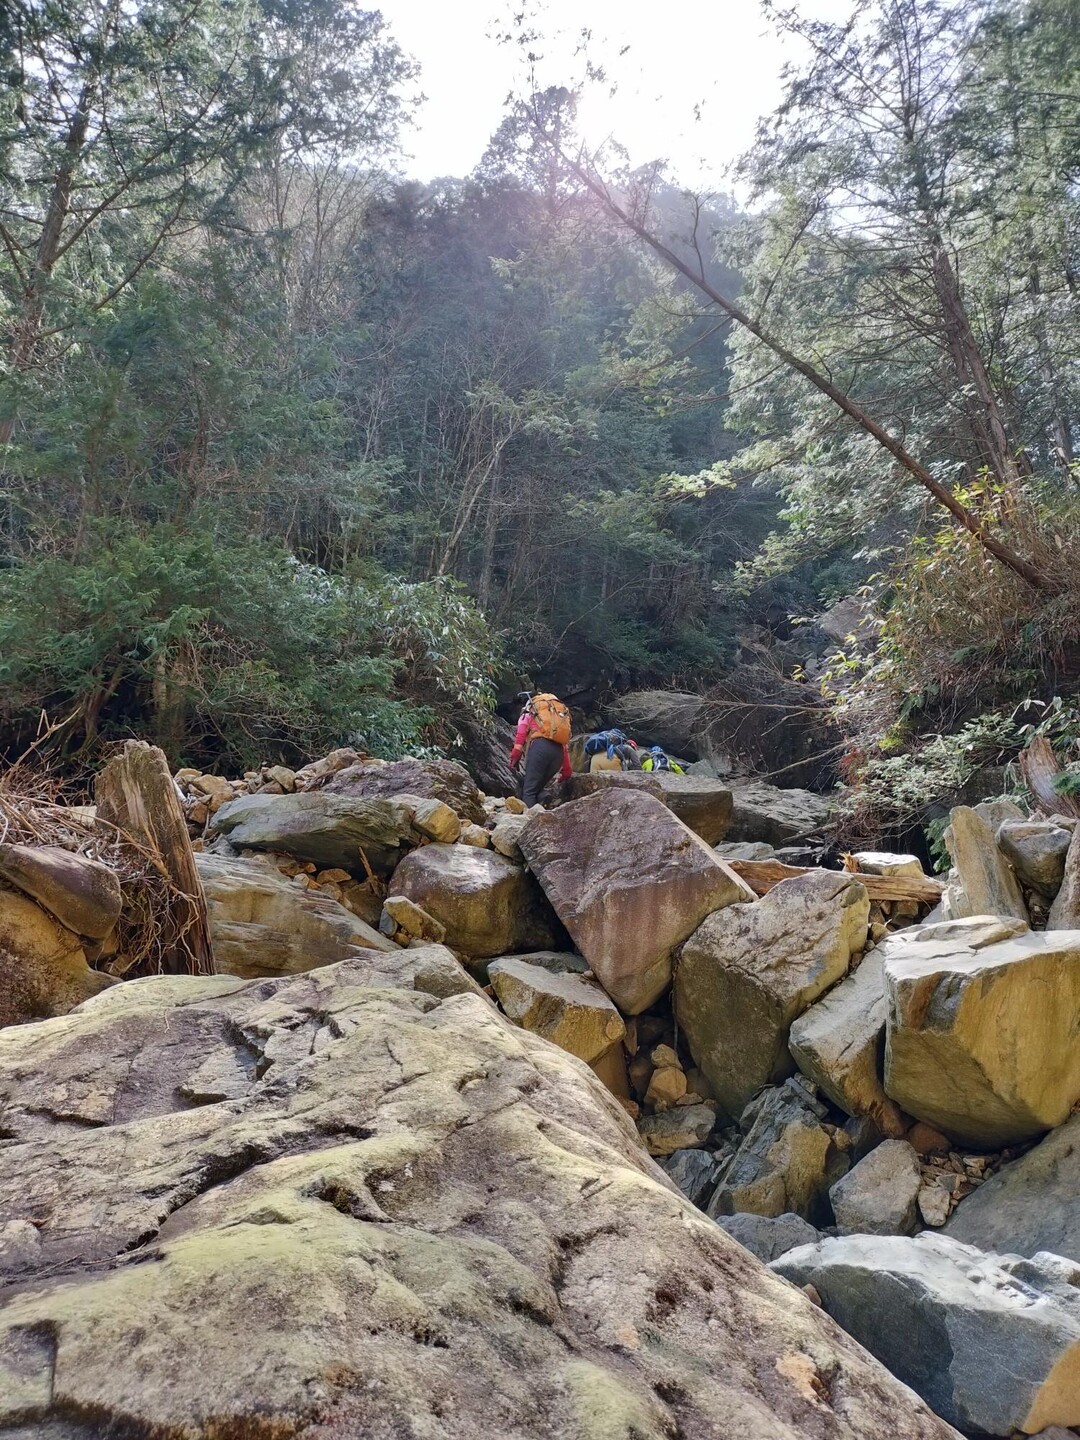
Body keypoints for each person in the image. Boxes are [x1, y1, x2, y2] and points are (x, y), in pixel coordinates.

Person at [509, 692, 573, 807]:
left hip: (540, 749)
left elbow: (521, 733)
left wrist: (515, 755)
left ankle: (529, 822)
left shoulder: (529, 712)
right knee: (538, 787)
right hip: (557, 755)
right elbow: (564, 746)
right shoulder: (554, 720)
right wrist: (567, 770)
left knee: (529, 791)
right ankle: (543, 797)